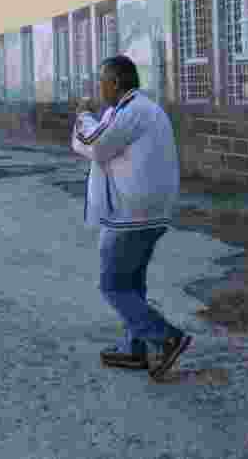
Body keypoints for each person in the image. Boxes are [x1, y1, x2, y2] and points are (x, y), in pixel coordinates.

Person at [71, 55, 191, 381]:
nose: (98, 89)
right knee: (132, 284)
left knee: (112, 285)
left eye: (101, 82)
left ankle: (166, 338)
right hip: (147, 213)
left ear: (115, 83)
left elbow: (94, 145)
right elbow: (98, 142)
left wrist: (82, 115)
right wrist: (92, 121)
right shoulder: (133, 110)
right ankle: (134, 348)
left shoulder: (131, 111)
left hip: (132, 215)